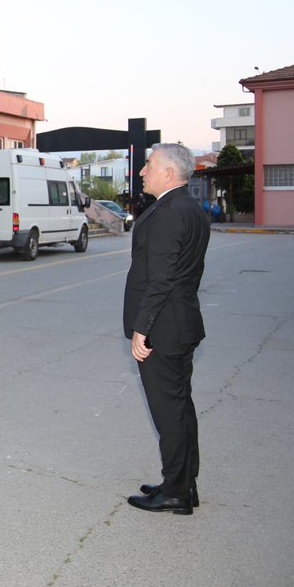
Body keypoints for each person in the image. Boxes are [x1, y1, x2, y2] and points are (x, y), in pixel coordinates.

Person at [123, 143, 210, 515]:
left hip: (164, 327)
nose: (143, 171)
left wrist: (143, 328)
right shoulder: (190, 208)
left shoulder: (169, 213)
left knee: (168, 412)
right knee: (180, 406)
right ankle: (183, 481)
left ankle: (175, 491)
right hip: (181, 322)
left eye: (149, 165)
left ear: (169, 174)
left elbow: (162, 279)